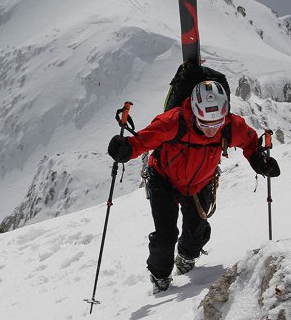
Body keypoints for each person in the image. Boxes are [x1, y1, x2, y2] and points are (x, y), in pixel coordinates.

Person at [107, 80, 280, 293]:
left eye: (216, 124)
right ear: (194, 113)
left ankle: (187, 257)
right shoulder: (173, 121)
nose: (211, 130)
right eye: (205, 124)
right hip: (163, 180)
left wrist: (258, 161)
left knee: (196, 231)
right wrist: (125, 149)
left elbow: (250, 142)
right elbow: (144, 140)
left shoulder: (230, 126)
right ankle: (160, 276)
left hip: (200, 182)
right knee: (165, 236)